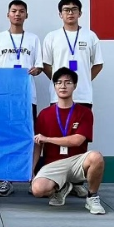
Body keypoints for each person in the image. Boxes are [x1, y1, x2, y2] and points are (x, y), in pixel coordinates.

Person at [41, 0, 104, 199]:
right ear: (60, 14)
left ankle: (77, 182)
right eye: (66, 9)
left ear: (80, 13)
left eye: (74, 9)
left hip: (83, 95)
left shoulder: (90, 36)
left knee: (79, 140)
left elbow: (98, 64)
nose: (70, 12)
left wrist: (81, 82)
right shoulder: (52, 37)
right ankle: (59, 180)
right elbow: (46, 64)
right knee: (57, 135)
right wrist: (61, 85)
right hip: (58, 97)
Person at [30, 68, 106, 215]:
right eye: (58, 83)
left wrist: (48, 139)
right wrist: (31, 169)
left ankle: (92, 197)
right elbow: (38, 145)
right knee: (37, 190)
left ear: (75, 86)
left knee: (96, 157)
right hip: (53, 164)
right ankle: (61, 188)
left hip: (77, 161)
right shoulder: (45, 114)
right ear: (54, 86)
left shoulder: (84, 112)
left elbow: (77, 140)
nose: (63, 86)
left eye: (68, 82)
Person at [0, 0, 43, 197]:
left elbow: (39, 66)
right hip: (5, 99)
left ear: (26, 15)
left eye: (21, 11)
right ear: (8, 14)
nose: (17, 14)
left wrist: (37, 70)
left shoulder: (33, 39)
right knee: (6, 136)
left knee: (30, 136)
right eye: (14, 11)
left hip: (27, 97)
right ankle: (7, 177)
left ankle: (31, 175)